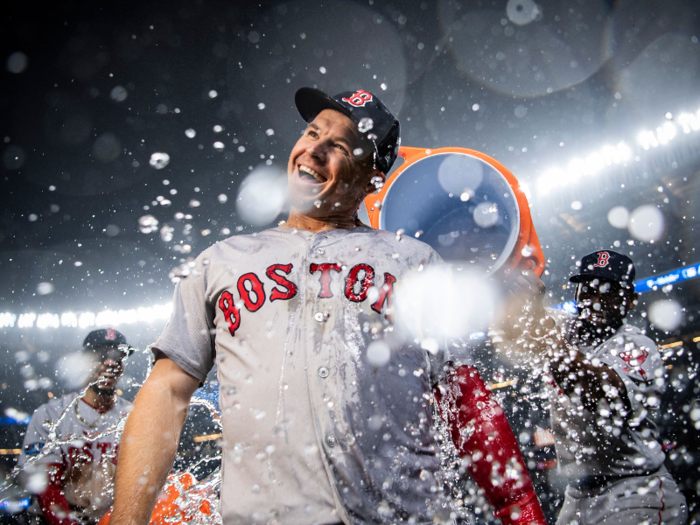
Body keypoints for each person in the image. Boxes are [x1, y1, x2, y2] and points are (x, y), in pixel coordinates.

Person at [110, 87, 546, 525]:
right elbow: (167, 391)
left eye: (338, 145)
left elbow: (463, 399)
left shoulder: (414, 261)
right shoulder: (220, 261)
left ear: (373, 178)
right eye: (312, 132)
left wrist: (522, 513)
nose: (312, 151)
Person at [500, 250, 688, 525]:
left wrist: (545, 335)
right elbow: (510, 324)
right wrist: (513, 285)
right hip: (576, 495)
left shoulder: (637, 346)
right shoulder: (567, 327)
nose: (596, 301)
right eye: (587, 290)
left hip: (634, 491)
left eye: (609, 291)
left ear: (631, 300)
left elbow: (600, 395)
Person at [18, 328, 134, 525]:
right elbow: (46, 488)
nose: (111, 363)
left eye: (118, 357)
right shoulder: (50, 414)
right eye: (101, 355)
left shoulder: (135, 416)